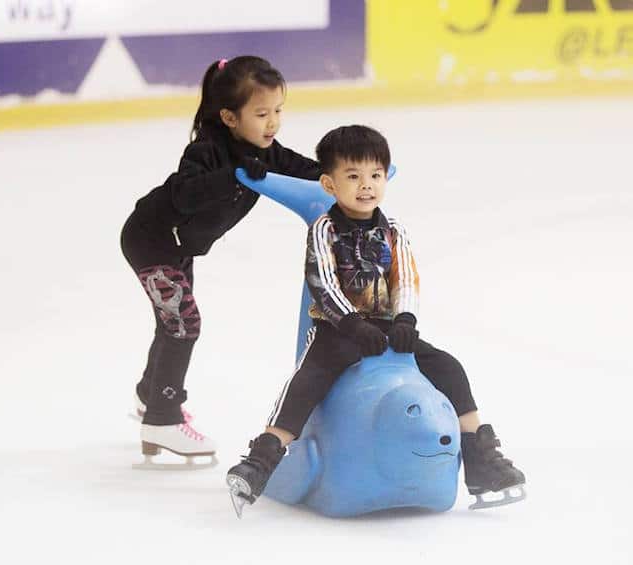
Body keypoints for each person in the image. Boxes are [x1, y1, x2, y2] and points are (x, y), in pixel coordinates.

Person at [226, 125, 525, 511]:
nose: (366, 185)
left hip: (388, 326)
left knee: (449, 367)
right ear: (330, 185)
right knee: (309, 378)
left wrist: (405, 320)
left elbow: (406, 277)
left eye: (375, 175)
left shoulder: (393, 230)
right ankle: (264, 456)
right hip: (338, 328)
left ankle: (481, 458)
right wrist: (351, 323)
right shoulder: (325, 229)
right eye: (353, 176)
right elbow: (322, 281)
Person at [120, 56, 321, 466]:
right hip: (152, 239)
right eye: (261, 114)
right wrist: (233, 174)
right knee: (184, 324)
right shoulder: (206, 150)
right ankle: (162, 417)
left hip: (176, 247)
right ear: (230, 117)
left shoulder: (266, 150)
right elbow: (184, 194)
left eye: (278, 111)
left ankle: (150, 394)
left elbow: (307, 171)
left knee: (172, 322)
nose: (273, 123)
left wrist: (353, 171)